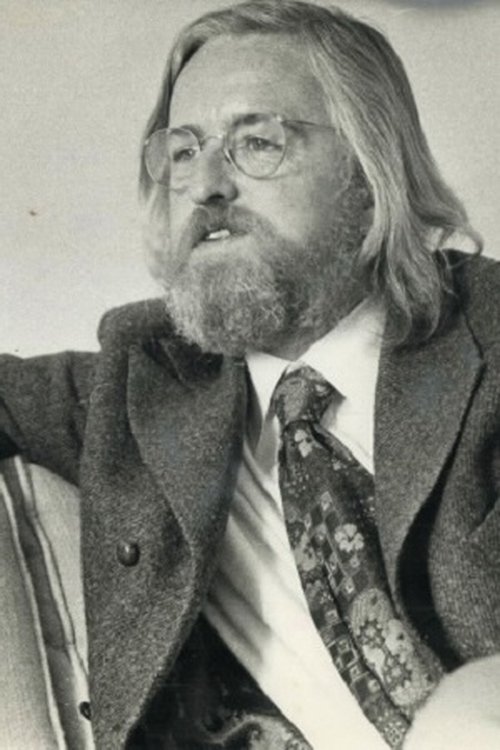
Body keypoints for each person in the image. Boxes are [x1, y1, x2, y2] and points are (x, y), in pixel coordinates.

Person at [1, 1, 500, 748]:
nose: (205, 186)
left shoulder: (487, 332)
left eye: (256, 143)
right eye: (182, 152)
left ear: (371, 169)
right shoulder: (141, 385)